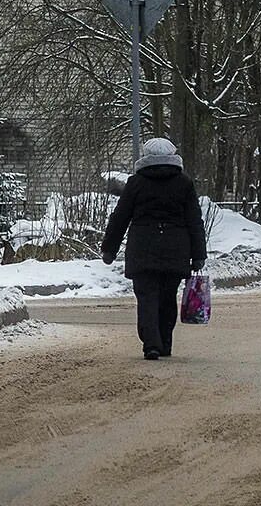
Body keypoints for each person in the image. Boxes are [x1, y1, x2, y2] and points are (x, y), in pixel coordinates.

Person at [101, 137, 207, 360]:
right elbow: (194, 220)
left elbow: (120, 217)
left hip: (143, 247)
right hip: (175, 249)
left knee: (147, 296)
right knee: (168, 296)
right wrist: (198, 254)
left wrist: (109, 248)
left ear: (145, 157)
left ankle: (151, 343)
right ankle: (165, 342)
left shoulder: (136, 183)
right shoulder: (184, 183)